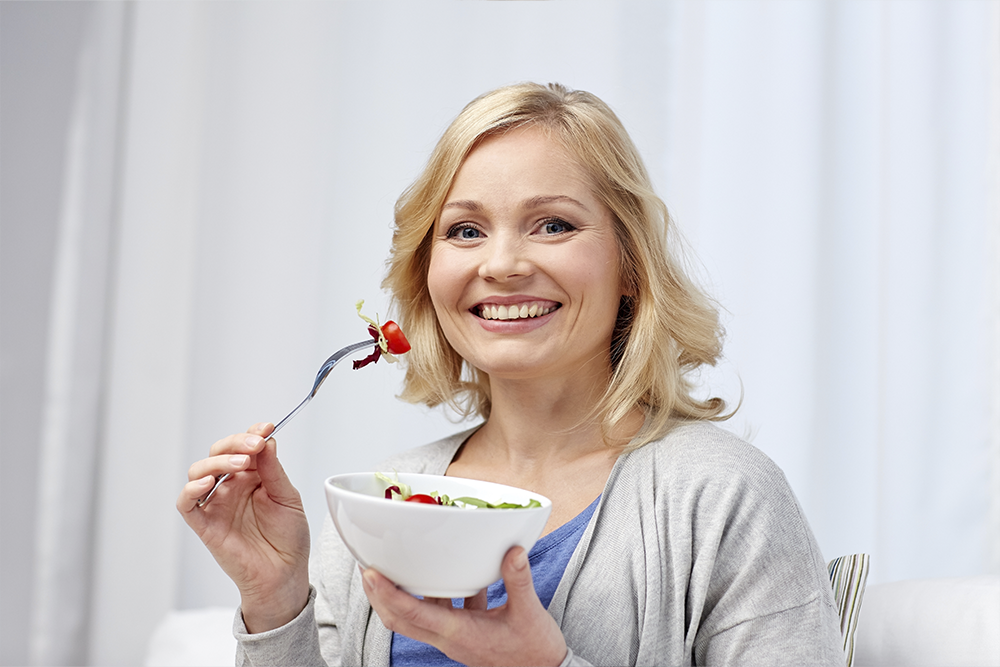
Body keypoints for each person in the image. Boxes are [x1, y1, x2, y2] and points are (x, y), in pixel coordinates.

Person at [178, 82, 844, 666]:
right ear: (427, 271)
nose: (500, 264)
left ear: (631, 266)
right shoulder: (380, 503)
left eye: (552, 224)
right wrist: (276, 600)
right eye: (465, 231)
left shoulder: (725, 496)